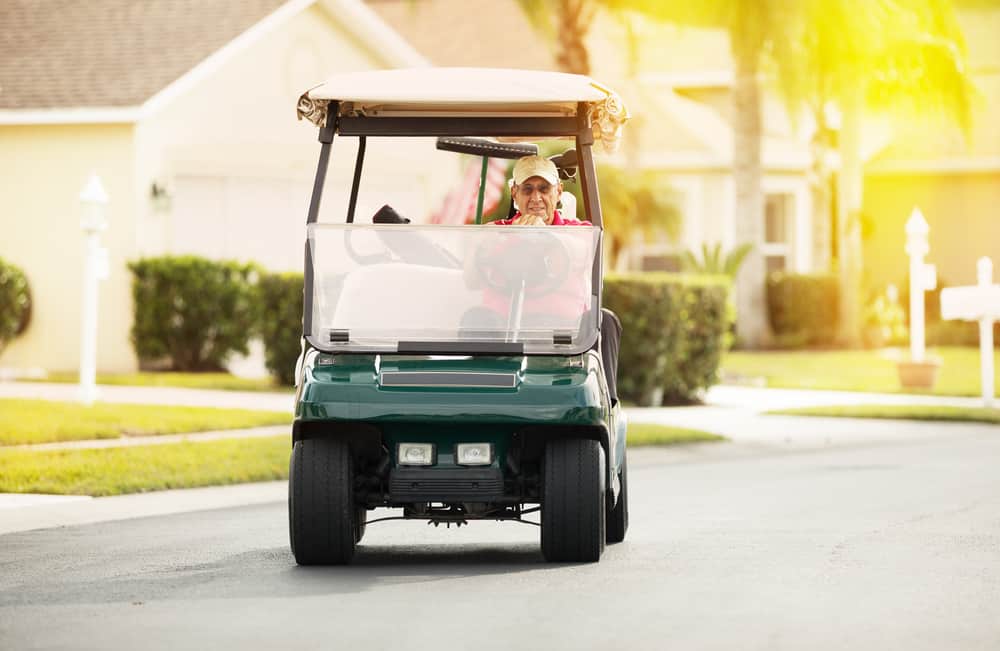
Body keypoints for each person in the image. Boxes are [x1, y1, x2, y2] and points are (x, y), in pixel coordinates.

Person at [491, 155, 591, 227]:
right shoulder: (495, 233)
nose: (536, 198)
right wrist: (513, 236)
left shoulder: (580, 231)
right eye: (527, 189)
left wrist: (543, 236)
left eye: (544, 189)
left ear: (559, 192)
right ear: (514, 193)